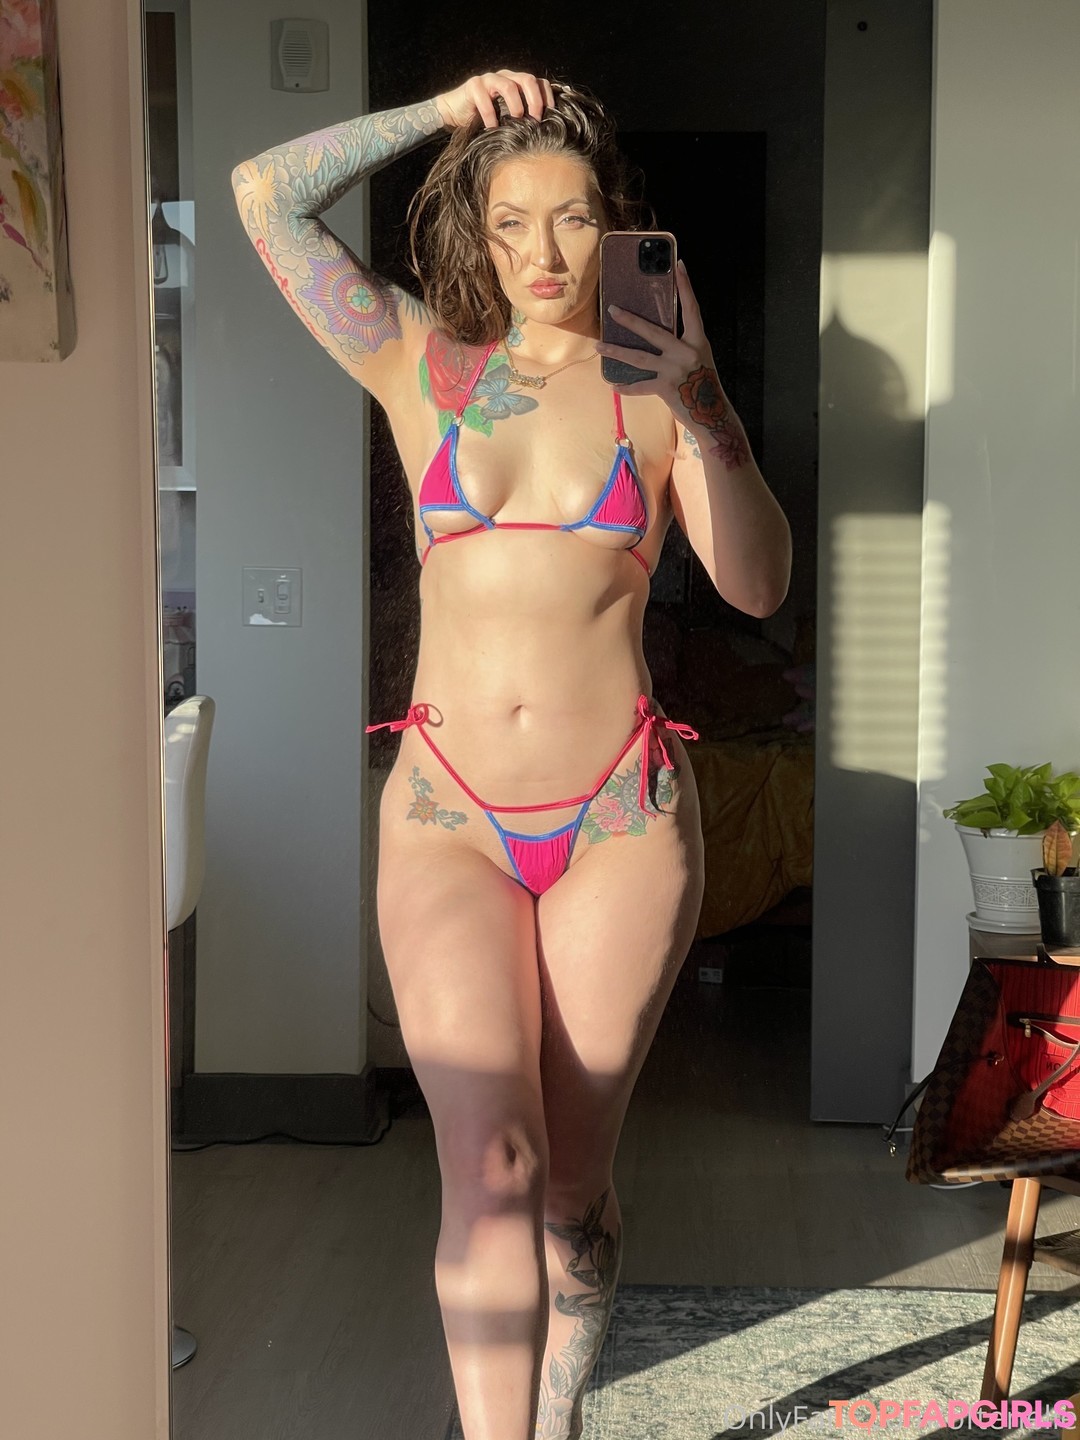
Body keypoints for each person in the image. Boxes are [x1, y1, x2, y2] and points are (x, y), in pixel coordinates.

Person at [231, 68, 791, 1440]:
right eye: (512, 223)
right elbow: (263, 196)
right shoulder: (423, 366)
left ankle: (559, 1408)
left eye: (577, 218)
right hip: (451, 819)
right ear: (472, 237)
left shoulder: (657, 393)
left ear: (620, 223)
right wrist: (441, 113)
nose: (546, 254)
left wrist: (709, 406)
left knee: (570, 1190)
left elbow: (758, 588)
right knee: (489, 1166)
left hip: (619, 825)